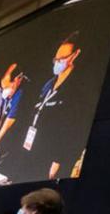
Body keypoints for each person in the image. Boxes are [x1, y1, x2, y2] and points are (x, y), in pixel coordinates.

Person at [28, 35, 85, 180]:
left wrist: (57, 160)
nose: (58, 62)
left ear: (75, 55)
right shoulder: (48, 84)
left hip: (55, 158)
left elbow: (73, 128)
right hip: (35, 147)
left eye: (62, 58)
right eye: (56, 59)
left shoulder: (78, 87)